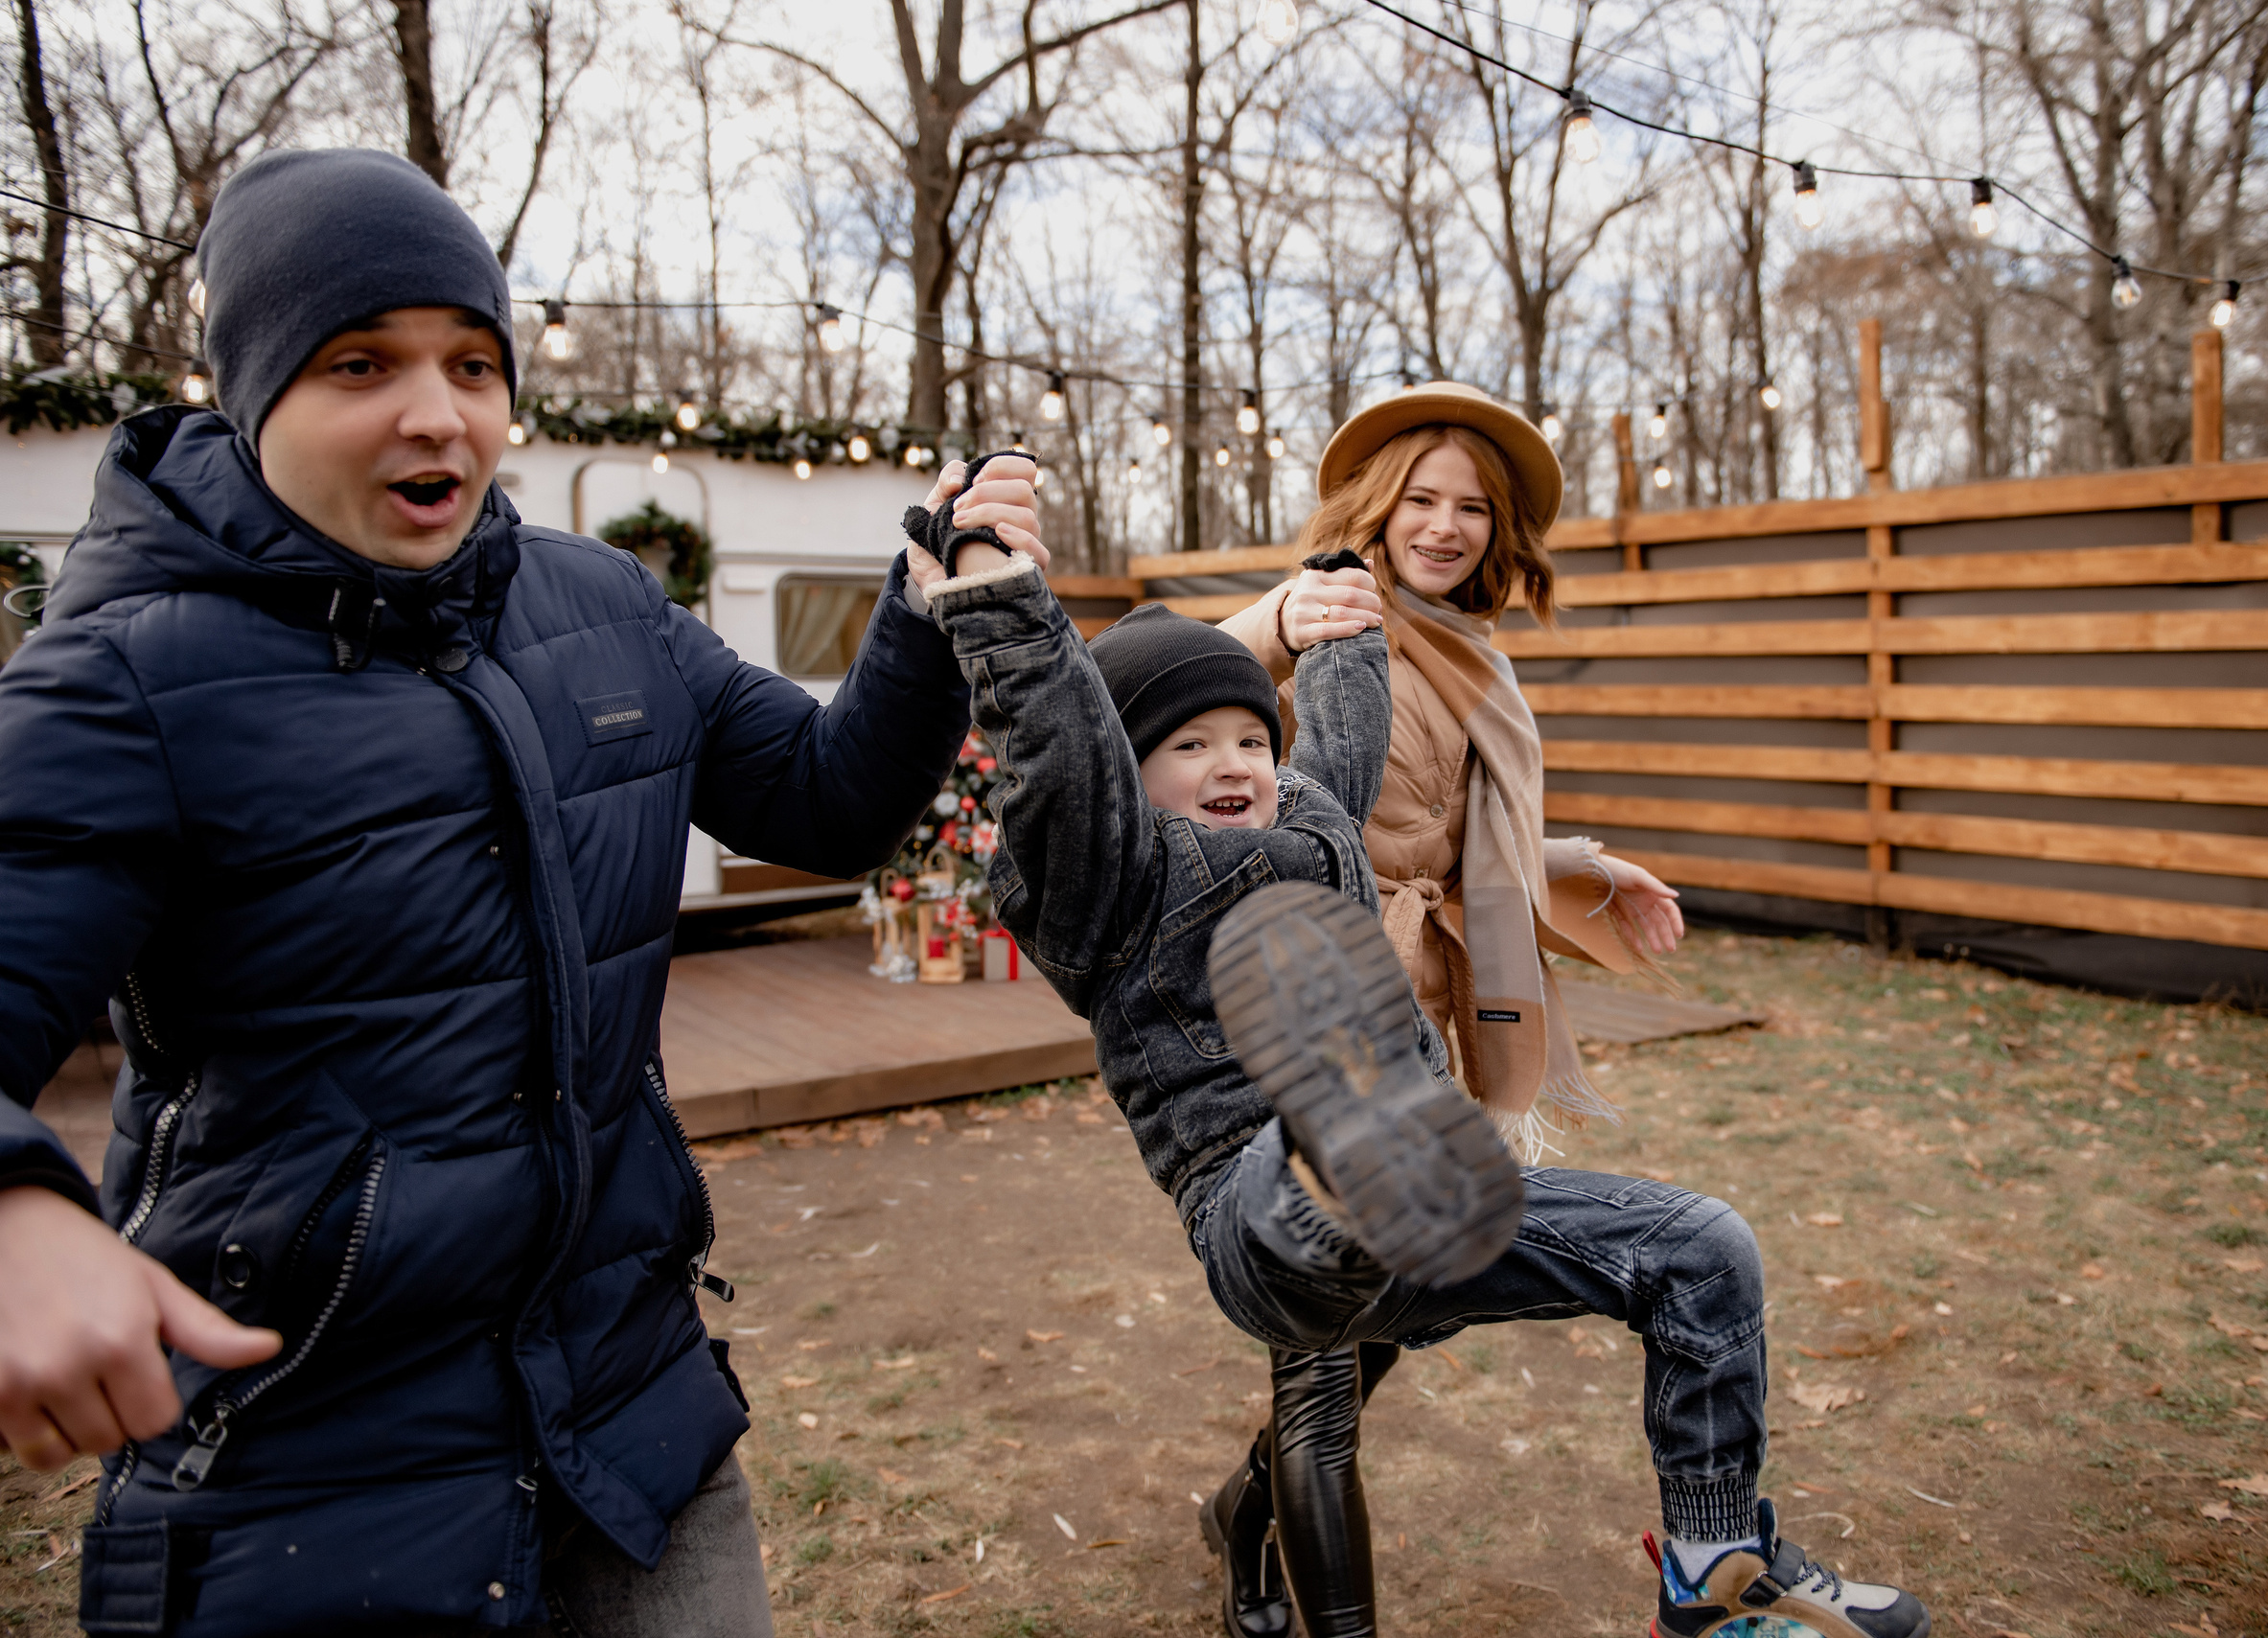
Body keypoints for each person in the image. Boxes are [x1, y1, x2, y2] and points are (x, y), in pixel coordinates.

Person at [0, 149, 1036, 1637]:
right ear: (247, 390)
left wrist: (926, 615)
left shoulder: (603, 607)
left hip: (633, 1415)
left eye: (473, 363)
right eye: (361, 362)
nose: (438, 412)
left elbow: (831, 804)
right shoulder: (128, 678)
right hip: (313, 1474)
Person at [914, 449, 1932, 1638]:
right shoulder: (1108, 879)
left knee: (1705, 1247)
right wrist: (993, 587)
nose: (1232, 761)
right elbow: (1055, 737)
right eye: (1187, 746)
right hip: (1263, 1210)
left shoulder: (1319, 814)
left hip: (1428, 1196)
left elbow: (1353, 731)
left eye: (1249, 737)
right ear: (1127, 779)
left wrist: (1349, 616)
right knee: (1333, 1215)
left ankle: (1711, 1564)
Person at [1204, 381, 1692, 1637]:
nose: (1443, 524)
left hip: (1436, 1017)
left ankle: (1240, 1507)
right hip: (1319, 1006)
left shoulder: (1474, 649)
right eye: (1419, 498)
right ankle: (1274, 1568)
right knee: (1321, 1367)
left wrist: (1593, 865)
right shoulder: (1333, 612)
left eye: (1470, 506)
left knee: (1390, 1310)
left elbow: (1473, 842)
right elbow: (1176, 682)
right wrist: (1276, 617)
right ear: (1377, 506)